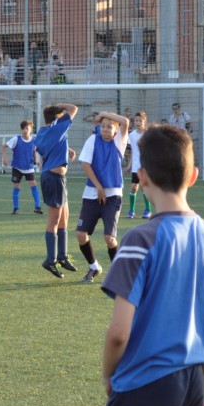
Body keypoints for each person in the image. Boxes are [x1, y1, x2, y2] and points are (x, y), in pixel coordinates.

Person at [99, 125, 204, 406]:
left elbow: (119, 332)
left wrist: (108, 375)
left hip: (144, 385)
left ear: (142, 176)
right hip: (192, 384)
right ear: (193, 175)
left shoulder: (140, 241)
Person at [76, 111, 130, 283]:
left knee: (109, 238)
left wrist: (104, 114)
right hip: (92, 194)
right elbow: (86, 164)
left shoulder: (118, 143)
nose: (105, 130)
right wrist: (99, 186)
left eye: (110, 127)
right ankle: (94, 266)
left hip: (113, 195)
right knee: (81, 234)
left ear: (116, 131)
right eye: (103, 126)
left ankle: (119, 272)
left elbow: (126, 121)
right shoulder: (93, 140)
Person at [35, 103, 79, 278]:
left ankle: (62, 255)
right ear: (58, 118)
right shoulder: (58, 127)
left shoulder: (42, 131)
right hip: (54, 178)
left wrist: (65, 149)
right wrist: (59, 105)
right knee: (54, 219)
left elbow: (45, 147)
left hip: (54, 177)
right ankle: (50, 260)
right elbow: (74, 108)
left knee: (65, 216)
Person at [1, 120, 43, 215]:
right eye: (23, 128)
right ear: (21, 129)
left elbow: (34, 151)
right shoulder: (16, 139)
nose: (25, 130)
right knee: (17, 187)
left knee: (34, 186)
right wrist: (4, 158)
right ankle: (15, 208)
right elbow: (3, 147)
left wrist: (36, 160)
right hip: (17, 167)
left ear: (31, 129)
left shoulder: (34, 140)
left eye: (27, 128)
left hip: (29, 167)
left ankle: (37, 207)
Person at [125, 111, 152, 219]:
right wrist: (129, 164)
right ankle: (131, 211)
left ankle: (148, 210)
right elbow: (133, 151)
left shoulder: (148, 134)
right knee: (134, 188)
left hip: (146, 165)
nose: (138, 122)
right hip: (136, 166)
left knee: (144, 188)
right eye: (136, 120)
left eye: (140, 120)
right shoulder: (131, 135)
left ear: (145, 121)